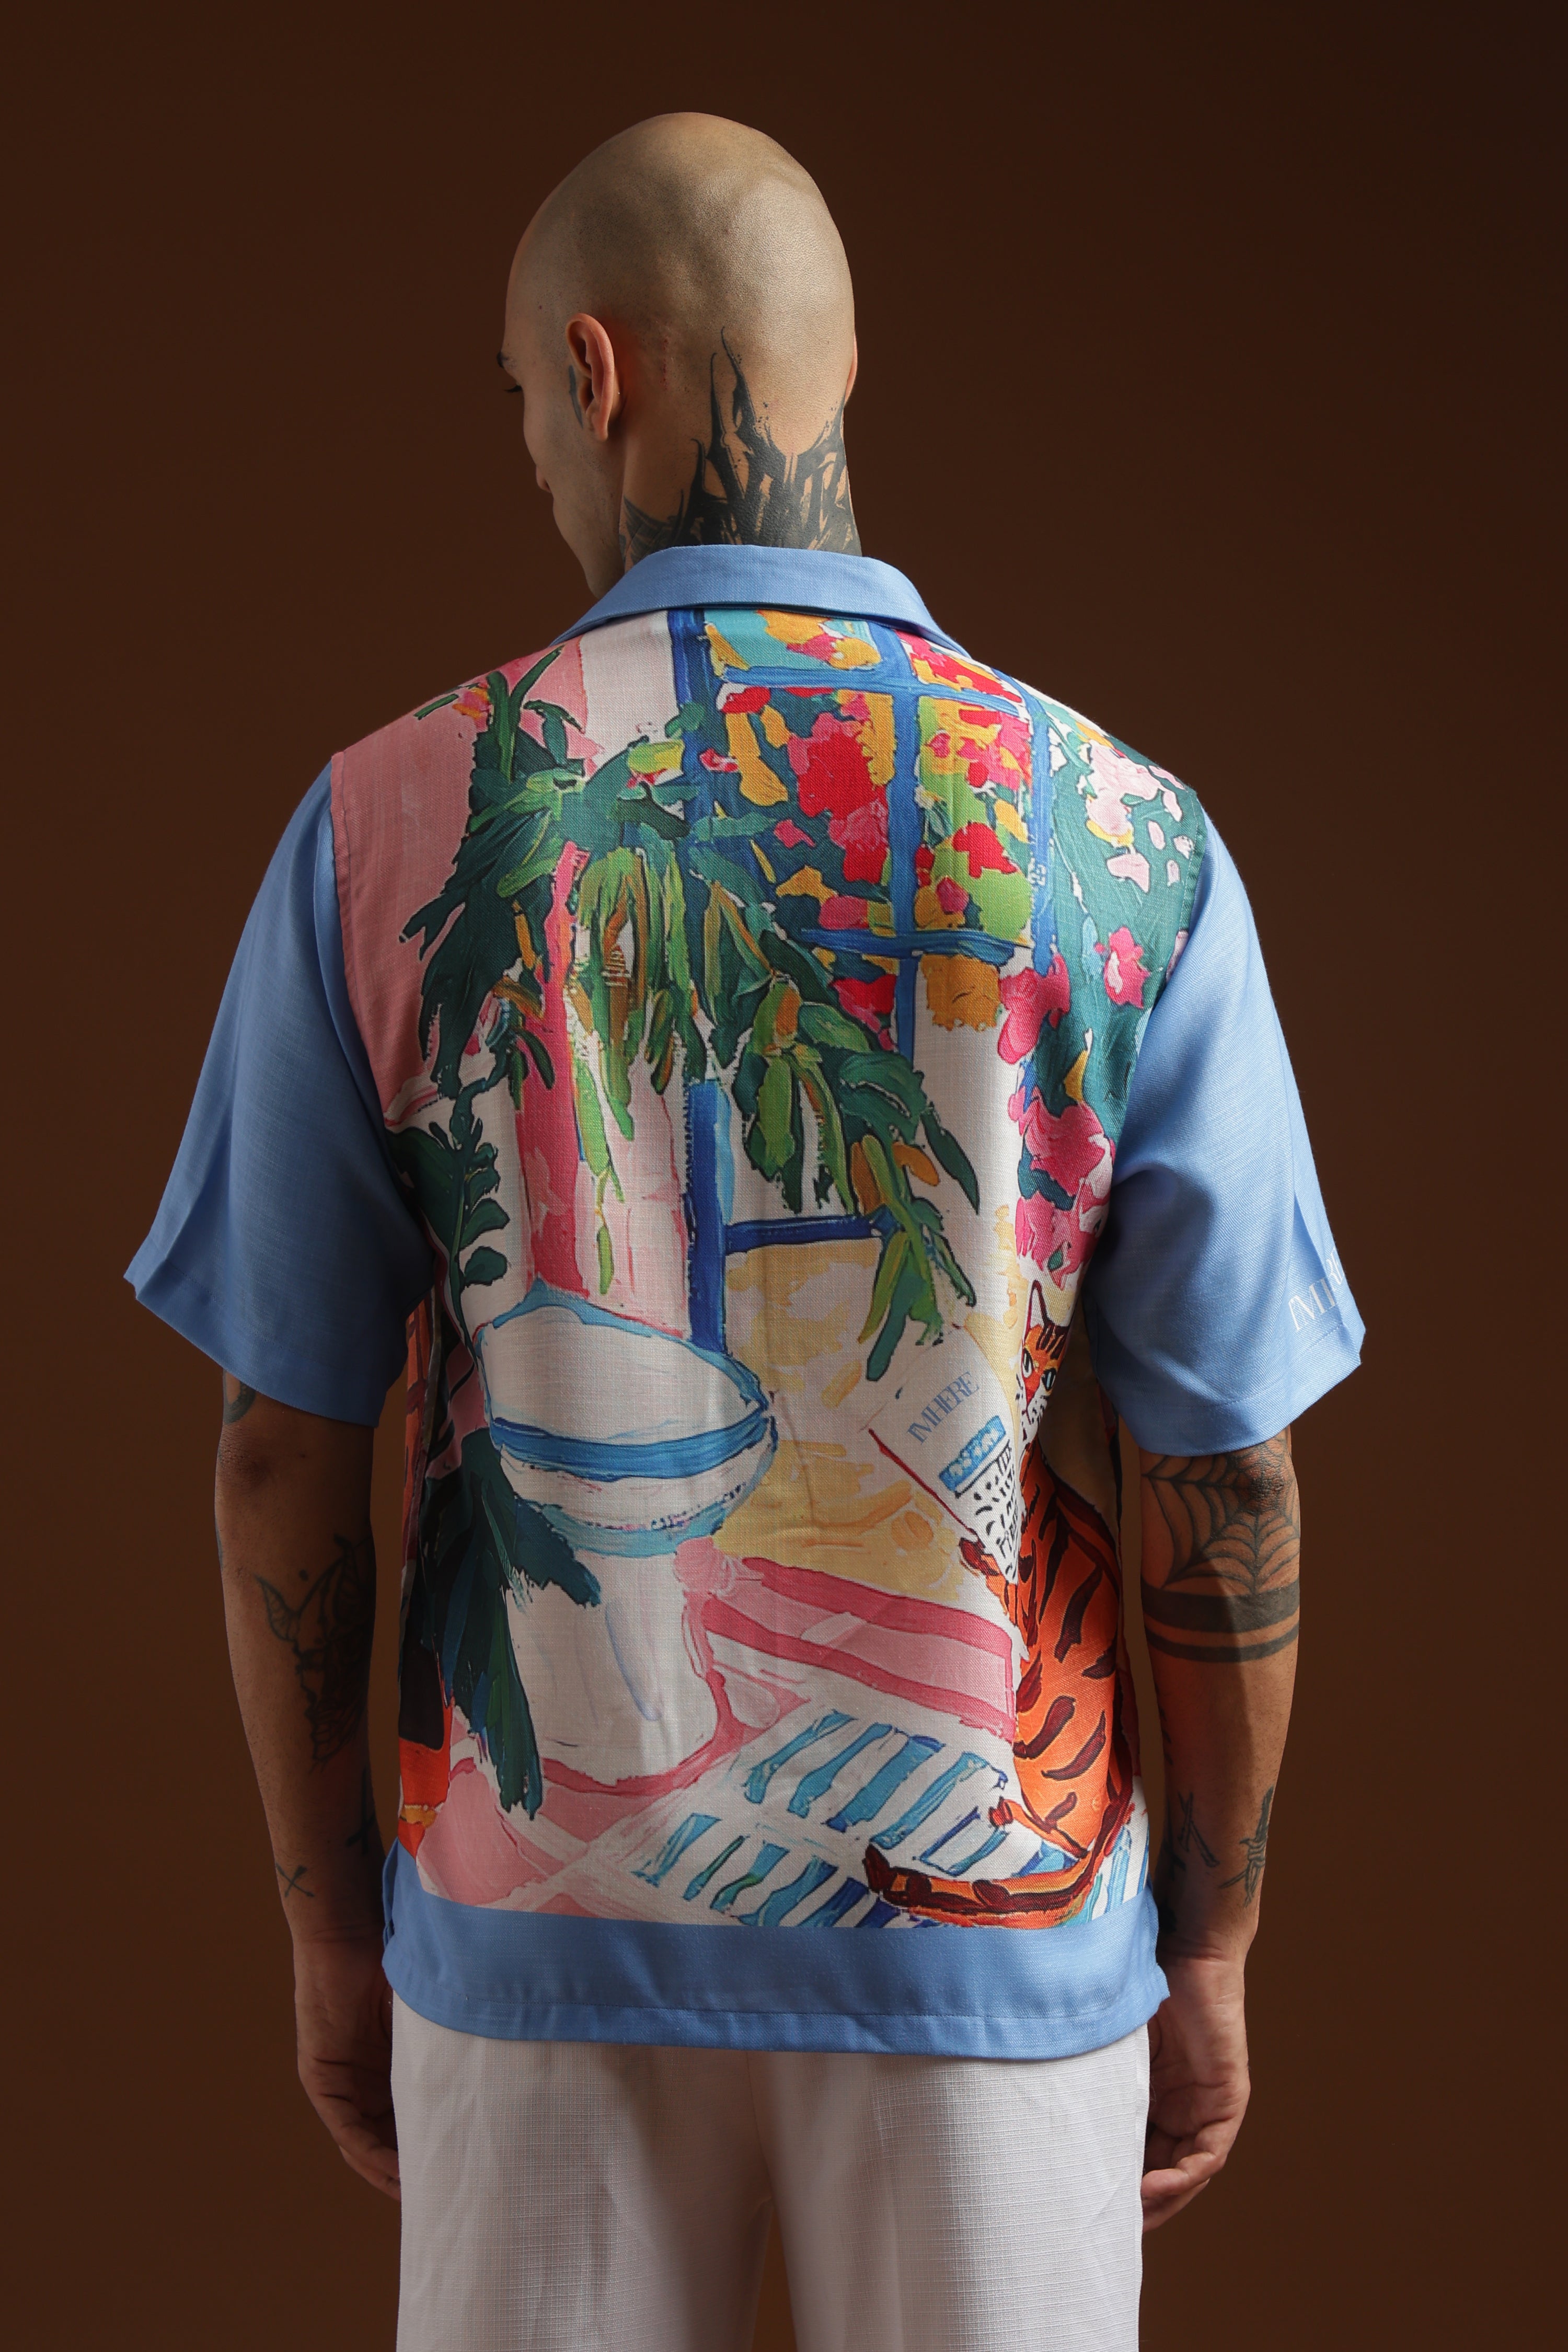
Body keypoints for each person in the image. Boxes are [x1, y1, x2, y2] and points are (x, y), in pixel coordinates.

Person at [128, 113, 1363, 2352]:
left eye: (522, 403)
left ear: (593, 372)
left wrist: (330, 1928)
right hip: (999, 1931)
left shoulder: (391, 822)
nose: (530, 452)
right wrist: (1211, 1941)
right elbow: (1233, 1474)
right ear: (845, 365)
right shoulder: (1123, 837)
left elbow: (277, 1455)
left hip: (530, 1926)